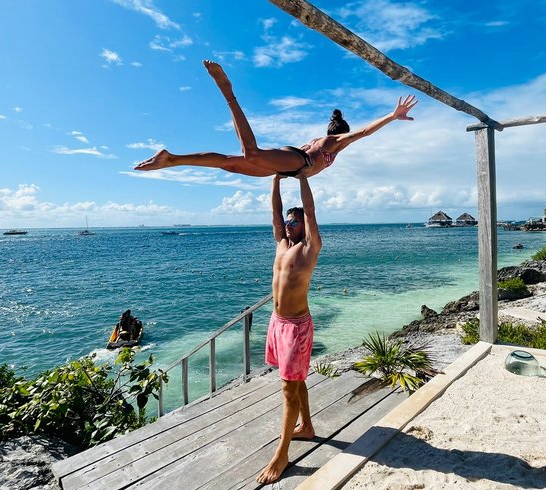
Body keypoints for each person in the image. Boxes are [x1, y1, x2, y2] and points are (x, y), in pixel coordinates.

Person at [134, 60, 418, 178]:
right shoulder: (334, 141)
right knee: (251, 152)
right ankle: (227, 91)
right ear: (341, 131)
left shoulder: (322, 140)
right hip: (295, 163)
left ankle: (172, 159)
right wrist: (392, 116)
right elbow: (364, 132)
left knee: (229, 163)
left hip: (288, 168)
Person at [256, 171, 321, 484]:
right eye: (289, 221)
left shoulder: (310, 249)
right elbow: (274, 212)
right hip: (277, 322)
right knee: (296, 381)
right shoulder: (281, 244)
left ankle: (281, 455)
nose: (290, 224)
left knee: (288, 389)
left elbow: (310, 210)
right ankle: (306, 427)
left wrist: (303, 177)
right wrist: (276, 180)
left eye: (295, 221)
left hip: (296, 327)